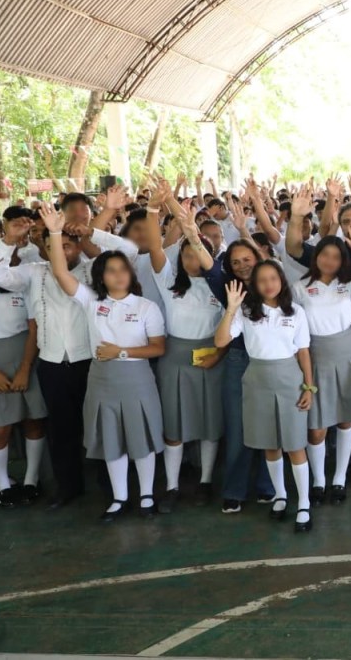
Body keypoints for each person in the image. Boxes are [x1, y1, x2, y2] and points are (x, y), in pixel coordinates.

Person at [41, 202, 167, 522]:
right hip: (101, 380)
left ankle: (147, 496)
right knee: (112, 439)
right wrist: (55, 231)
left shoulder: (145, 307)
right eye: (110, 270)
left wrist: (121, 352)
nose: (118, 275)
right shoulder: (91, 300)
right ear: (101, 276)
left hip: (137, 378)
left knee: (141, 438)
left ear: (130, 273)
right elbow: (59, 271)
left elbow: (157, 348)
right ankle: (120, 498)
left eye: (122, 270)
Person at [140, 187, 226, 513]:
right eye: (187, 254)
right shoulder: (168, 282)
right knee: (174, 426)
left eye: (199, 253)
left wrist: (218, 355)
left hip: (210, 358)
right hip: (175, 359)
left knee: (208, 422)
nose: (192, 260)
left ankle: (205, 481)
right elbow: (153, 247)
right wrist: (153, 209)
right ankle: (173, 486)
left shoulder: (218, 282)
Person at [215, 262, 315, 533]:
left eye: (273, 278)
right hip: (257, 379)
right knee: (269, 444)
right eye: (262, 280)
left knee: (294, 445)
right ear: (254, 286)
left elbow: (303, 351)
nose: (269, 284)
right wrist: (231, 309)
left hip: (288, 379)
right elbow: (221, 341)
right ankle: (280, 496)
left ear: (281, 280)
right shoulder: (246, 312)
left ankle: (304, 503)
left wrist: (309, 387)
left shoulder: (296, 312)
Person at [291, 215, 351, 507]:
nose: (329, 260)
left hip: (347, 351)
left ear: (343, 261)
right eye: (325, 255)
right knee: (316, 426)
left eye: (336, 256)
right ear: (317, 257)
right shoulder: (300, 287)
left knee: (345, 417)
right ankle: (319, 479)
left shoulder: (347, 286)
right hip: (315, 356)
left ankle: (339, 477)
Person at [204, 237, 277, 513]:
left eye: (247, 259)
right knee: (238, 428)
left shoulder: (275, 286)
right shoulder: (229, 289)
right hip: (238, 362)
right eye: (235, 262)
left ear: (258, 258)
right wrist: (188, 228)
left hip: (270, 362)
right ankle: (234, 490)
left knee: (269, 426)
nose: (242, 266)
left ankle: (268, 486)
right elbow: (209, 267)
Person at [0, 266, 48, 508]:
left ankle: (31, 479)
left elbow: (34, 328)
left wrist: (25, 368)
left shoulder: (22, 285)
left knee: (33, 421)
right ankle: (3, 483)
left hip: (27, 358)